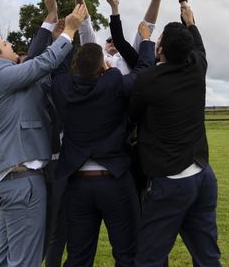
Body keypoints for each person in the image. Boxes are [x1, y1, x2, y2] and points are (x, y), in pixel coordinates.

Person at [0, 0, 87, 267]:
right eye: (6, 43)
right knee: (26, 261)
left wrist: (50, 21)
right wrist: (69, 31)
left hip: (10, 180)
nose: (12, 45)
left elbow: (34, 61)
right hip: (21, 180)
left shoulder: (0, 77)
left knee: (5, 260)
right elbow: (40, 63)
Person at [50, 22, 156, 266]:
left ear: (76, 67)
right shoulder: (114, 83)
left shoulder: (63, 88)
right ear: (102, 66)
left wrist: (63, 37)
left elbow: (58, 70)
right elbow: (143, 73)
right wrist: (147, 41)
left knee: (78, 257)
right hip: (115, 181)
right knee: (127, 254)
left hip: (76, 184)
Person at [129, 0, 222, 266]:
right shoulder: (197, 67)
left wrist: (146, 41)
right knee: (207, 255)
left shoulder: (149, 80)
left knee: (150, 257)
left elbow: (132, 114)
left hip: (170, 180)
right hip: (203, 174)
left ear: (161, 50)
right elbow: (199, 45)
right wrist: (187, 14)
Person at [73, 0, 172, 74]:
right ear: (103, 45)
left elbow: (146, 28)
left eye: (114, 41)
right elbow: (85, 28)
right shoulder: (96, 55)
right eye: (109, 40)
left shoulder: (128, 57)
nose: (113, 42)